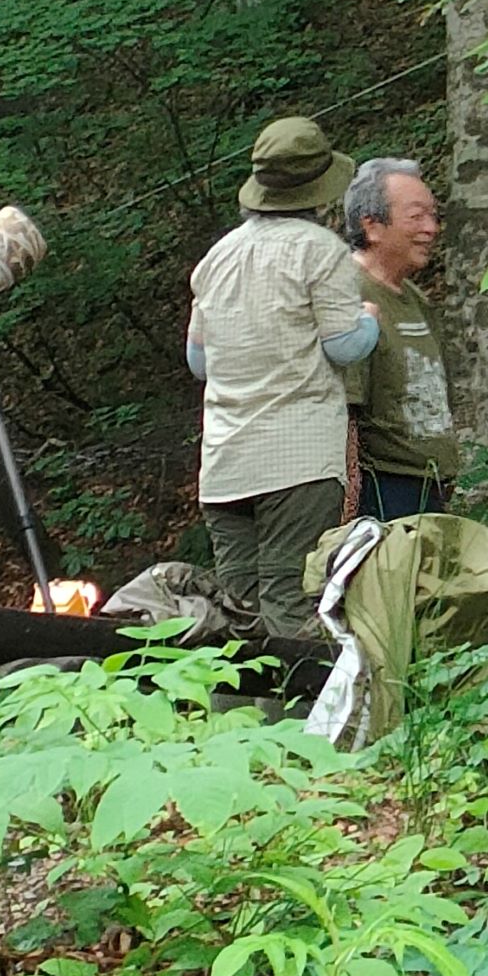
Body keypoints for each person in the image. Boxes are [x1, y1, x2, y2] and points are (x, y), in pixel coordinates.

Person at [187, 114, 378, 641]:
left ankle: (238, 717)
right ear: (320, 190)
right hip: (296, 459)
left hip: (224, 463)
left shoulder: (215, 258)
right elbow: (344, 346)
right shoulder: (322, 252)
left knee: (237, 612)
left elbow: (199, 363)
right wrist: (370, 322)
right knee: (291, 604)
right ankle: (298, 720)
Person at [342, 154, 454, 520]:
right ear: (372, 226)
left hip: (429, 487)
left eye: (433, 216)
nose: (431, 228)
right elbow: (345, 413)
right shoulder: (348, 293)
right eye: (416, 216)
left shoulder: (414, 298)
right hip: (383, 493)